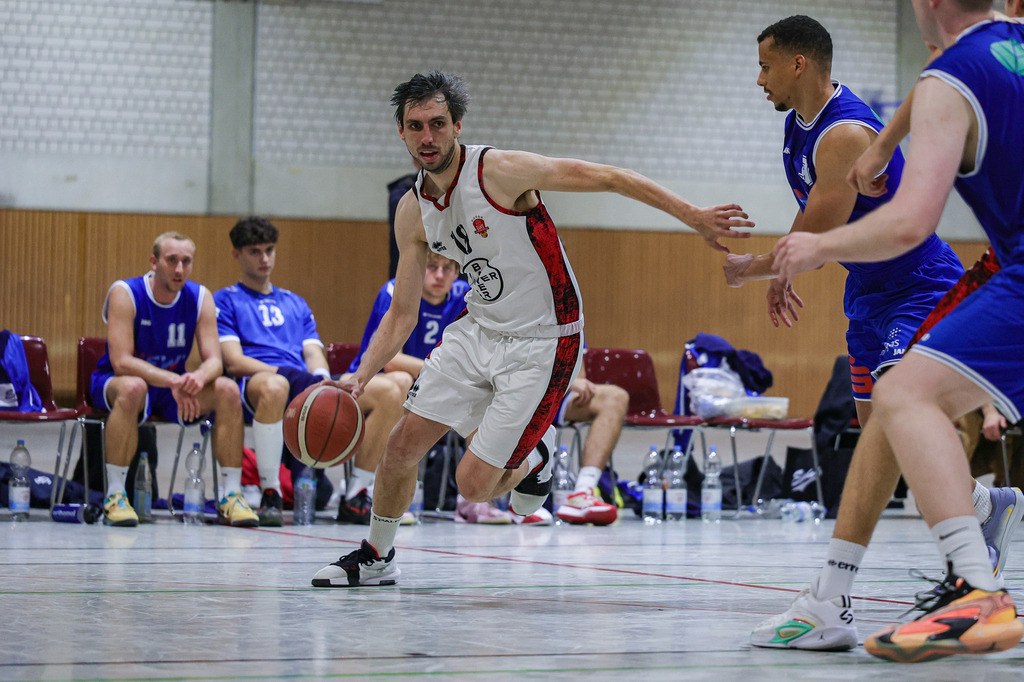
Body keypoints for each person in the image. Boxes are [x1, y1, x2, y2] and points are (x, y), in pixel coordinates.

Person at [312, 70, 754, 587]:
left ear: (457, 125)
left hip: (545, 338)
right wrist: (359, 376)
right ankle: (377, 556)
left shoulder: (498, 171)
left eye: (437, 124)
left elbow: (608, 176)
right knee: (400, 445)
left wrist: (694, 215)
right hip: (479, 328)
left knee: (474, 486)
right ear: (402, 132)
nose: (427, 137)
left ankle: (536, 460)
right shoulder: (412, 210)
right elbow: (402, 313)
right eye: (416, 126)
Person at [750, 10, 1024, 656]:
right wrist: (884, 141)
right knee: (883, 420)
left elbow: (909, 224)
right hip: (909, 285)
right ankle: (831, 596)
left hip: (948, 275)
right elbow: (930, 82)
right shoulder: (1005, 45)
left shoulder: (950, 77)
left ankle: (979, 588)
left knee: (903, 399)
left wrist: (813, 248)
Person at [214, 216, 410, 526]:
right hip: (259, 381)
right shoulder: (225, 300)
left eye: (269, 250)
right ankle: (271, 493)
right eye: (254, 251)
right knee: (276, 385)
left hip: (306, 383)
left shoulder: (295, 303)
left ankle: (357, 493)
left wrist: (320, 381)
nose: (264, 258)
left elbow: (312, 351)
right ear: (237, 254)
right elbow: (234, 360)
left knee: (389, 390)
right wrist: (290, 376)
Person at [90, 232, 258, 527]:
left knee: (228, 389)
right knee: (133, 387)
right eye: (171, 260)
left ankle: (231, 495)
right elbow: (121, 361)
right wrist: (174, 380)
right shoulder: (125, 292)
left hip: (172, 387)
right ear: (154, 262)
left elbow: (215, 360)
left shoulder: (200, 296)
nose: (179, 269)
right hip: (116, 381)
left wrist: (197, 378)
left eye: (186, 261)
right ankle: (115, 495)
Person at [550, 361, 626, 526]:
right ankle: (502, 500)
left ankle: (583, 492)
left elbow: (578, 373)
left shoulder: (572, 332)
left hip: (554, 390)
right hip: (513, 389)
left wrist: (569, 381)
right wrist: (565, 380)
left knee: (615, 398)